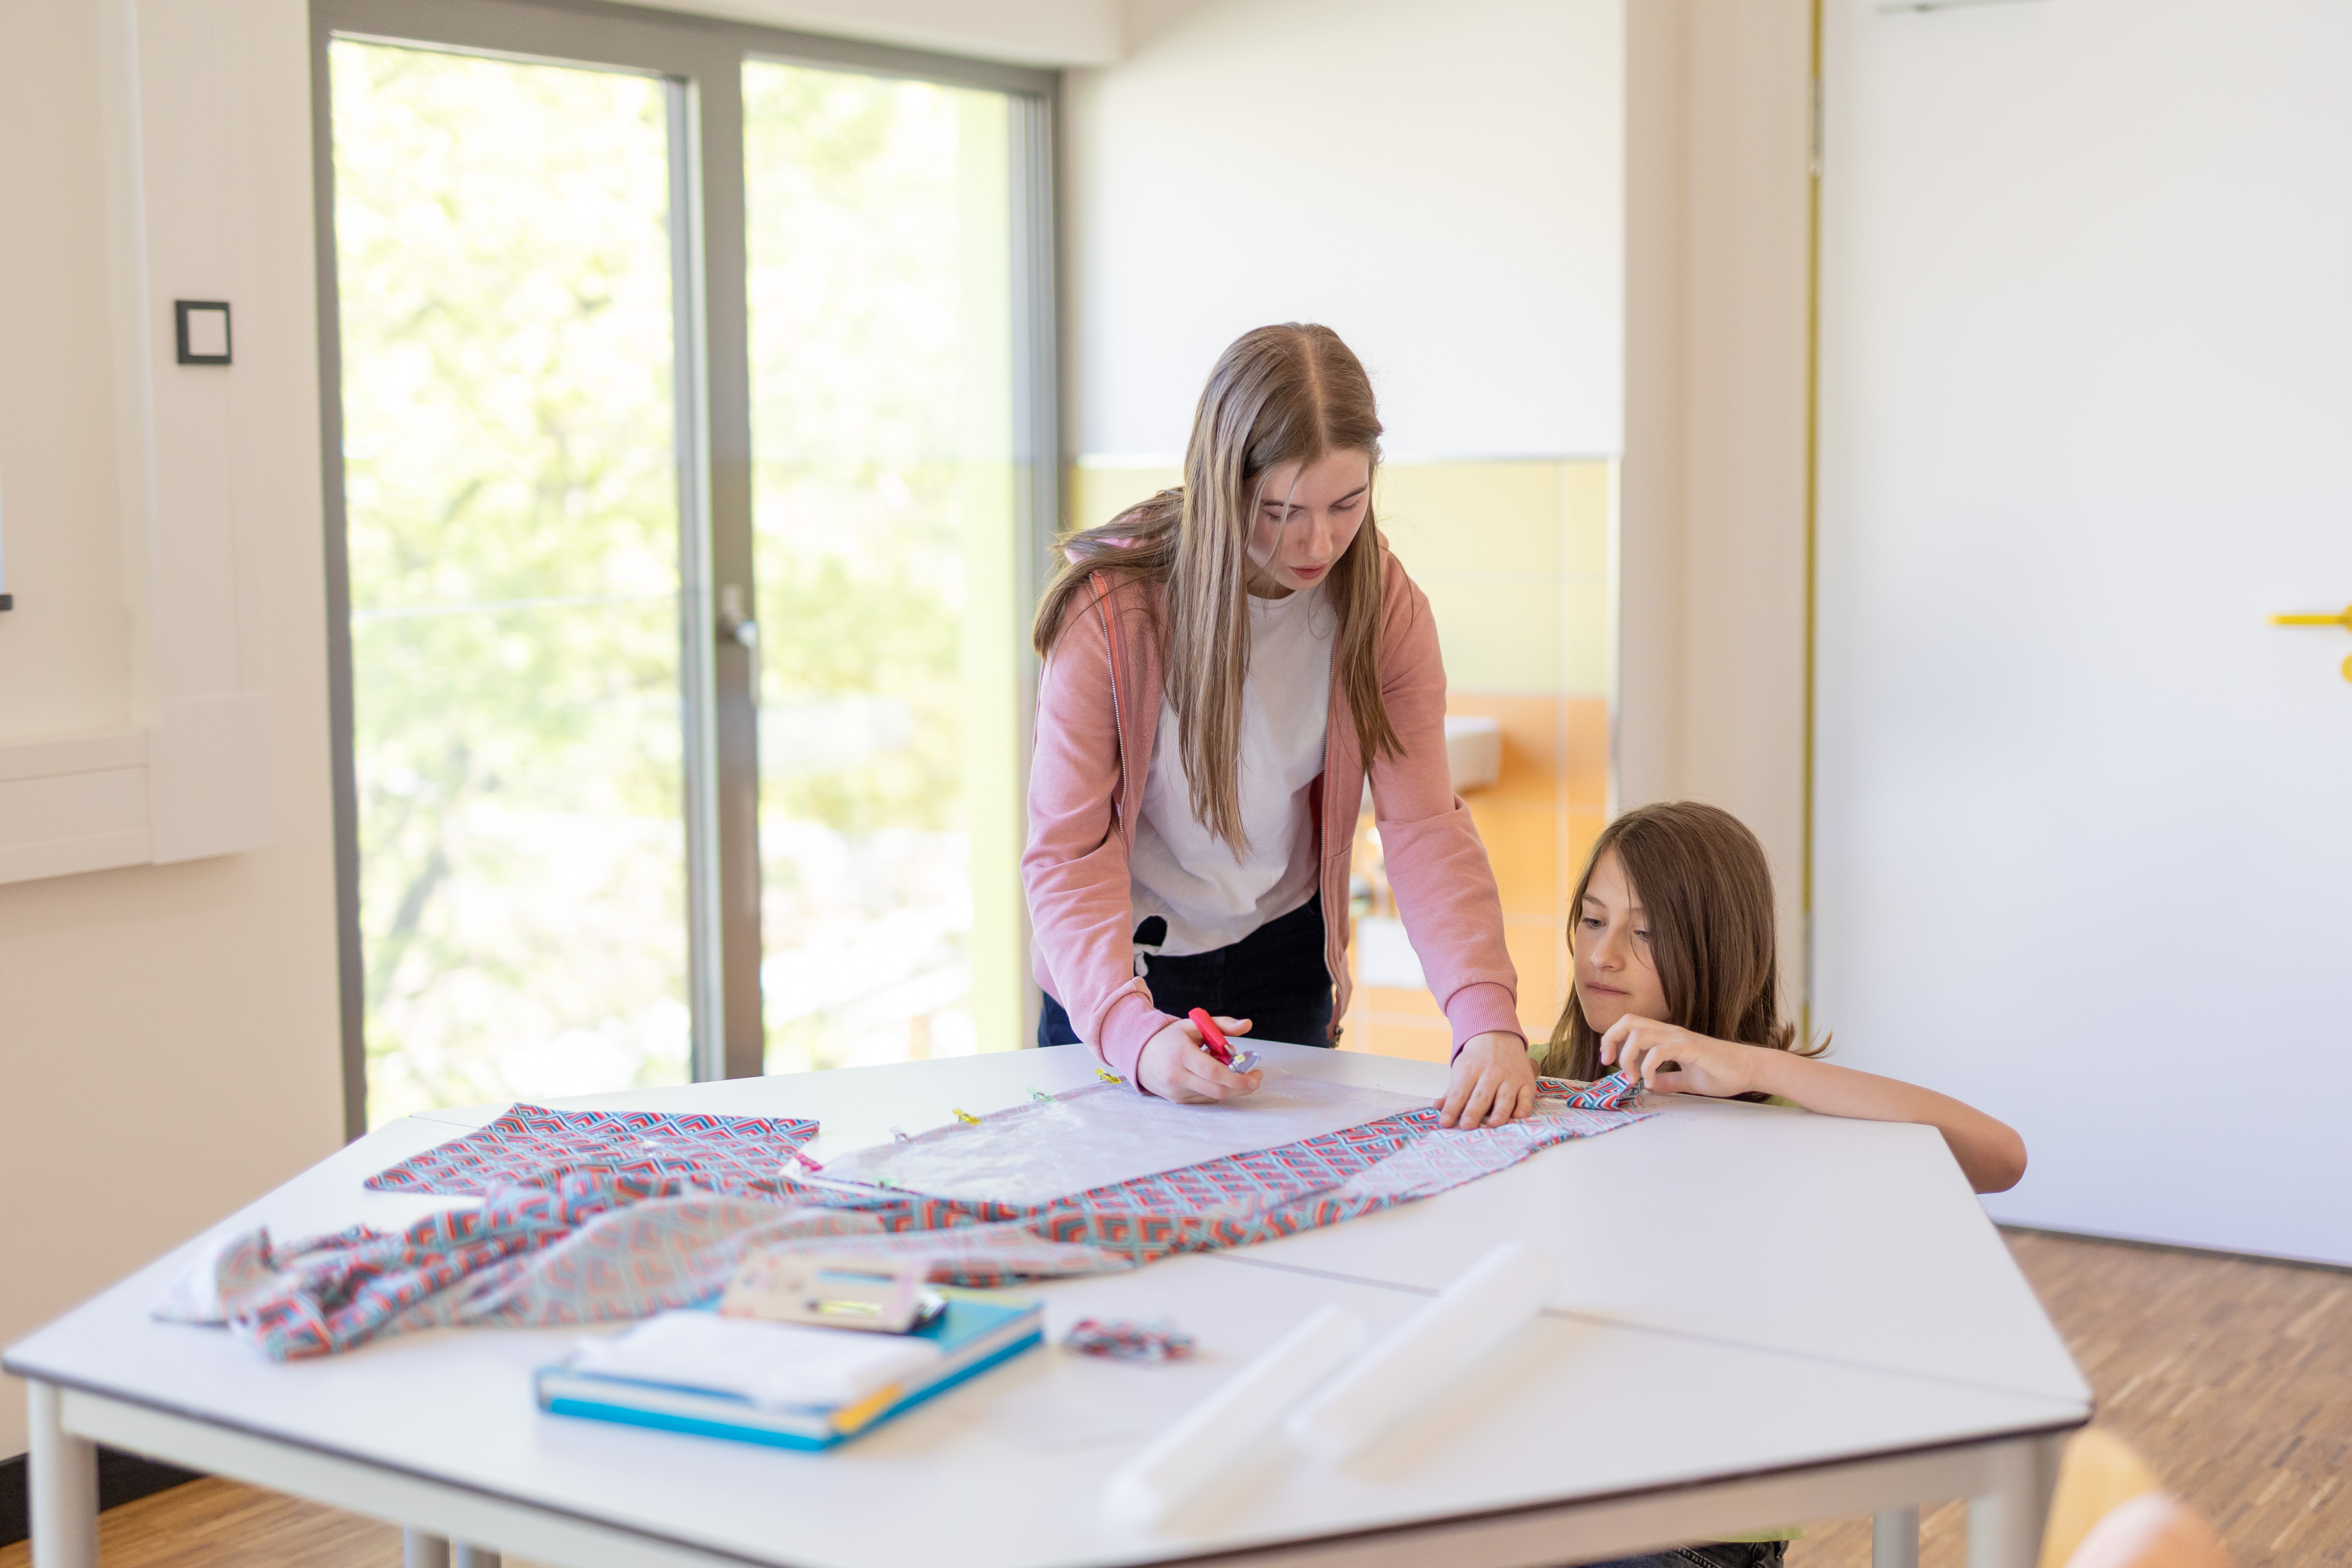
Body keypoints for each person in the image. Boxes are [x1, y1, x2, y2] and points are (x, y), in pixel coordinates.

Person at [1023, 323, 1536, 1125]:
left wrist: (1485, 1018)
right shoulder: (1111, 613)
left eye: (1348, 504)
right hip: (1116, 975)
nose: (1319, 542)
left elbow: (1425, 827)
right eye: (1279, 511)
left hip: (1284, 960)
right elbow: (1066, 852)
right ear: (1221, 483)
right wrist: (1133, 1032)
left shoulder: (1382, 609)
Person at [1552, 800, 2027, 1568]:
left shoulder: (1781, 1112)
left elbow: (2000, 1156)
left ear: (1718, 946)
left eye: (1646, 934)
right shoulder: (1545, 1072)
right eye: (1591, 920)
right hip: (1546, 1479)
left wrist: (1759, 1066)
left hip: (1691, 1524)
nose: (1603, 956)